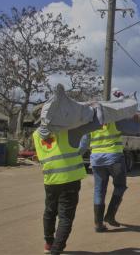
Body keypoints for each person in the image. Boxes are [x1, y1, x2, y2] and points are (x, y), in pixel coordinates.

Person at [32, 103, 104, 255]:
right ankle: (56, 250)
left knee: (50, 212)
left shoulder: (36, 134)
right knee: (65, 217)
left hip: (50, 179)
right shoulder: (68, 131)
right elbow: (97, 123)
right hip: (70, 180)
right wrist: (94, 108)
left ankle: (48, 244)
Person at [79, 116, 140, 233]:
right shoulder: (116, 120)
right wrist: (136, 119)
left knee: (99, 190)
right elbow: (136, 129)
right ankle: (110, 216)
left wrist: (75, 157)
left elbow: (83, 145)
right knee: (120, 186)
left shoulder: (90, 123)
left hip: (97, 161)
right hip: (115, 160)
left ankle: (98, 224)